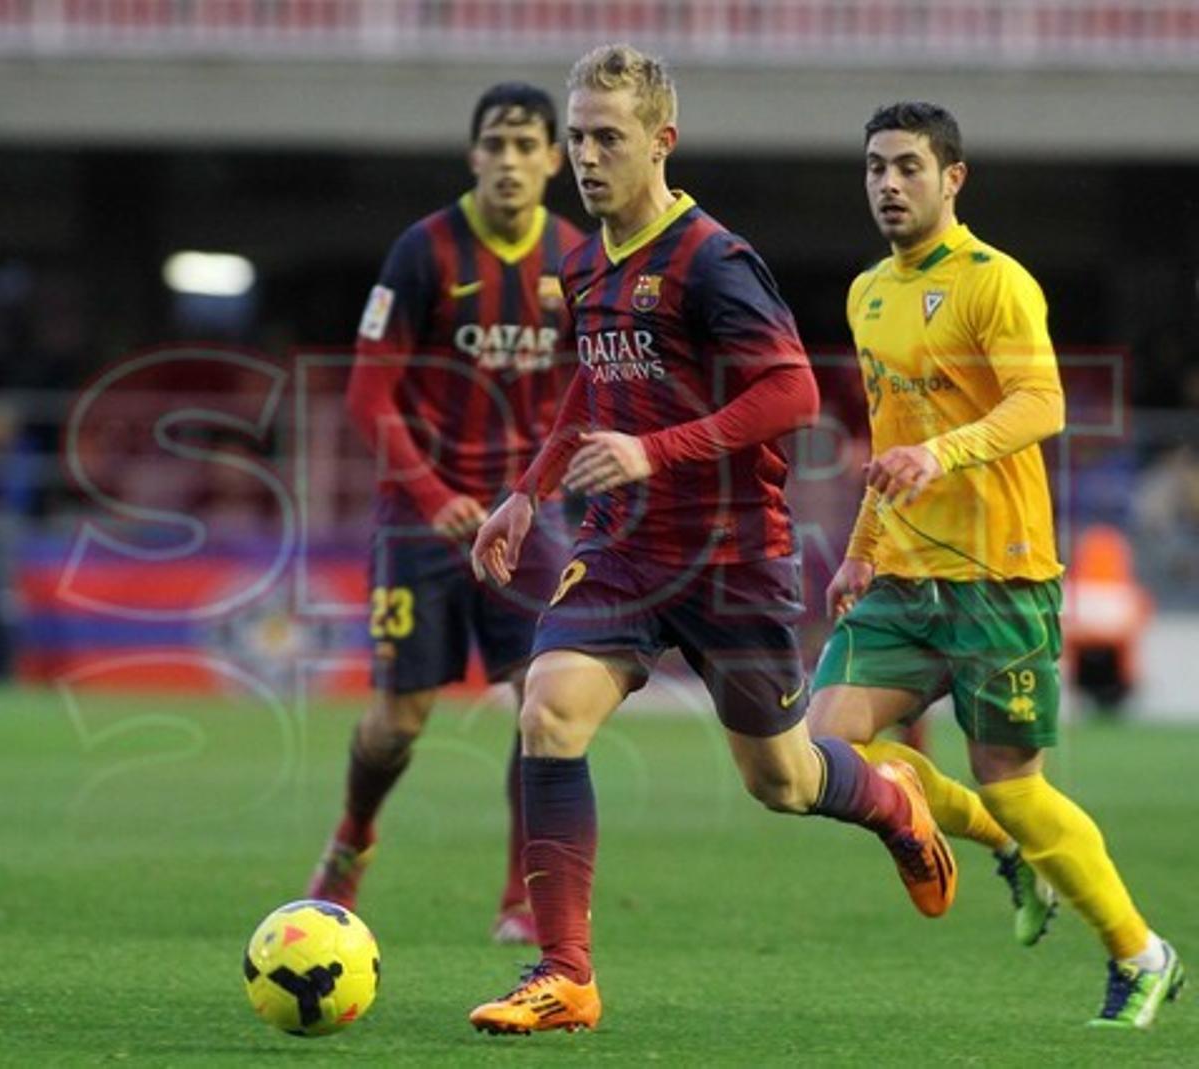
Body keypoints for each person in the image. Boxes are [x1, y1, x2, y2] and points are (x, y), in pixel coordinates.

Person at [466, 46, 958, 1036]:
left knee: (781, 778)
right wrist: (526, 493)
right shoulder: (582, 262)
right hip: (619, 552)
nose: (589, 155)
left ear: (662, 141)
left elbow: (793, 393)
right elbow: (586, 388)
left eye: (609, 136)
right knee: (548, 715)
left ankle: (896, 802)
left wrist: (656, 451)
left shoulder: (711, 259)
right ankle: (566, 974)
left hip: (733, 555)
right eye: (580, 136)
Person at [807, 101, 1185, 1029]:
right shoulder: (867, 293)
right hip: (899, 578)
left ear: (951, 178)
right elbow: (893, 437)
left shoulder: (995, 281)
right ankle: (1001, 848)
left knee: (1016, 782)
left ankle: (1142, 954)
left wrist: (944, 454)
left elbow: (1042, 402)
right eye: (874, 169)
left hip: (1000, 577)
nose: (888, 185)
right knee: (815, 753)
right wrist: (859, 549)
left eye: (906, 167)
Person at [307, 82, 584, 946]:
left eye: (525, 145)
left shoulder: (576, 259)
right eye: (494, 145)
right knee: (399, 720)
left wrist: (539, 492)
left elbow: (593, 389)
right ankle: (353, 837)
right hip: (419, 519)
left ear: (552, 159)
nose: (509, 161)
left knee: (541, 701)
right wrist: (432, 496)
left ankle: (520, 893)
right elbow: (367, 393)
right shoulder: (424, 251)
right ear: (474, 157)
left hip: (528, 522)